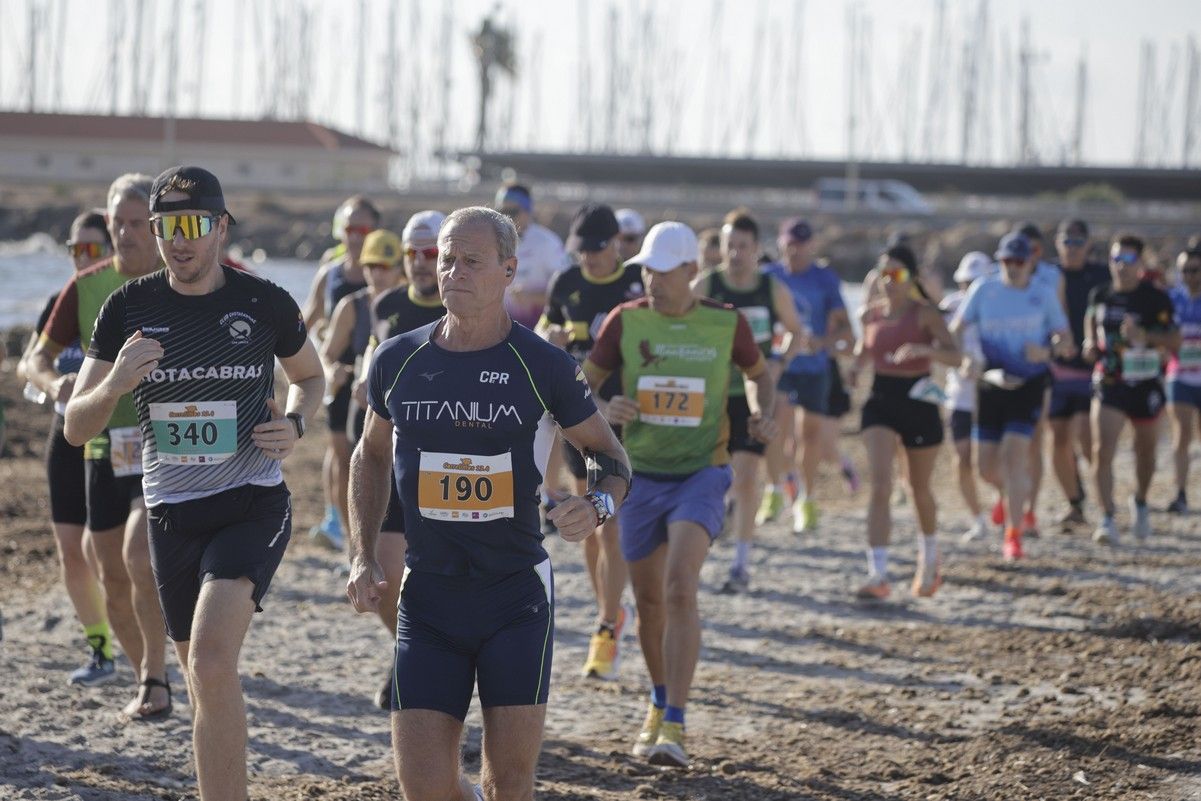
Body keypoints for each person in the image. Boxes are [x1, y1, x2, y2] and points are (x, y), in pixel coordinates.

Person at [347, 206, 629, 801]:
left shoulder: (544, 365)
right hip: (428, 596)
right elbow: (369, 456)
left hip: (514, 597)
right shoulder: (397, 358)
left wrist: (597, 506)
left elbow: (610, 456)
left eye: (471, 261)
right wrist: (362, 553)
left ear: (509, 270)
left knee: (510, 786)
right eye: (446, 259)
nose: (453, 272)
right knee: (423, 789)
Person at [67, 165, 324, 801]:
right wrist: (115, 383)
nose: (179, 240)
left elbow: (310, 376)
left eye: (193, 224)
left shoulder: (263, 301)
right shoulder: (129, 307)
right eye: (166, 227)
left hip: (251, 503)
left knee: (209, 660)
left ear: (221, 227)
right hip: (172, 514)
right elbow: (75, 426)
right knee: (200, 677)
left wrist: (295, 423)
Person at [584, 221, 775, 767]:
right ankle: (658, 700)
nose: (652, 280)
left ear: (692, 270)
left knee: (679, 588)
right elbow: (582, 384)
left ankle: (677, 722)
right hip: (640, 476)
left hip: (702, 473)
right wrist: (606, 408)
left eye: (664, 271)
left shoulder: (725, 322)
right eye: (647, 269)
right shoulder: (626, 320)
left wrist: (760, 410)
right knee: (648, 603)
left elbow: (760, 374)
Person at [28, 173, 171, 719]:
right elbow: (37, 359)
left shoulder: (183, 278)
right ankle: (144, 676)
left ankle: (156, 671)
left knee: (139, 554)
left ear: (156, 226)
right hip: (104, 444)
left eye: (138, 223)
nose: (126, 234)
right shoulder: (87, 286)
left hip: (166, 442)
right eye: (118, 224)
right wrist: (55, 386)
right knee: (109, 572)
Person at [538, 202, 644, 681]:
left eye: (597, 250)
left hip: (626, 417)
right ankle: (610, 609)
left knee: (612, 523)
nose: (589, 260)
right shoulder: (565, 282)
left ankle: (606, 624)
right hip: (577, 417)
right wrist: (551, 340)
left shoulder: (636, 284)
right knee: (587, 521)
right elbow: (543, 333)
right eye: (581, 251)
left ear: (616, 245)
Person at [351, 214, 449, 709]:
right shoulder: (387, 305)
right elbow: (374, 357)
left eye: (430, 253)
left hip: (450, 468)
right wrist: (361, 380)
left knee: (443, 585)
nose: (420, 263)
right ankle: (408, 649)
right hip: (394, 462)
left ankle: (427, 658)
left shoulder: (463, 309)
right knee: (385, 579)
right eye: (412, 254)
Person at [16, 210, 114, 684]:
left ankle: (143, 637)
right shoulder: (64, 299)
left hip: (120, 436)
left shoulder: (127, 297)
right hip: (67, 432)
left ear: (113, 250)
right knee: (71, 550)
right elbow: (29, 363)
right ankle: (101, 649)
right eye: (75, 249)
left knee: (113, 551)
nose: (82, 258)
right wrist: (55, 383)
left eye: (92, 249)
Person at [692, 208, 807, 594]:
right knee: (708, 478)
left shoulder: (770, 289)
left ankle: (740, 564)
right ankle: (702, 547)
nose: (735, 254)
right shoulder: (707, 285)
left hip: (754, 394)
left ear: (757, 249)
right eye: (730, 246)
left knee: (744, 477)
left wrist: (779, 362)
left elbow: (796, 332)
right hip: (711, 396)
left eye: (743, 246)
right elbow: (677, 324)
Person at [950, 233, 1074, 561]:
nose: (1014, 267)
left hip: (1028, 385)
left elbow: (1066, 340)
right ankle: (1011, 496)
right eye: (1007, 261)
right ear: (1000, 261)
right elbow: (956, 329)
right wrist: (965, 358)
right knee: (984, 468)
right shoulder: (983, 290)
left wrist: (1046, 352)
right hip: (990, 384)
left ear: (1031, 262)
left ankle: (1014, 535)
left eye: (1020, 261)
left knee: (1014, 456)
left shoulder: (1042, 294)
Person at [850, 245, 960, 599]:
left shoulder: (924, 314)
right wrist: (854, 369)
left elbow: (956, 356)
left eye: (896, 274)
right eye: (883, 274)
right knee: (881, 484)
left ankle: (929, 557)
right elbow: (864, 353)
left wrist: (925, 350)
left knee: (918, 488)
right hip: (881, 399)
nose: (889, 281)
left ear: (910, 278)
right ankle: (878, 574)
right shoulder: (872, 314)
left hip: (919, 399)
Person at [1085, 235, 1180, 544]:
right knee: (1102, 450)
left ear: (1139, 263)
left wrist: (1145, 336)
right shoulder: (1100, 294)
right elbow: (1091, 320)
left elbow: (1175, 340)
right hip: (1110, 380)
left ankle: (1140, 501)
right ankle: (1106, 517)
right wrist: (1089, 343)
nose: (1120, 266)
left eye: (1127, 260)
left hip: (1145, 382)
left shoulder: (1155, 298)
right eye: (1115, 259)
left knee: (1146, 451)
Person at [762, 218, 851, 534]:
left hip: (815, 368)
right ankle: (774, 490)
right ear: (780, 243)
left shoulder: (824, 279)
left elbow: (845, 328)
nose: (795, 250)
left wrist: (822, 342)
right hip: (780, 364)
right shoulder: (768, 276)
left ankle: (807, 499)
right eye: (790, 244)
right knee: (775, 428)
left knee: (809, 436)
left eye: (801, 244)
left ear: (812, 245)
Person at [301, 195, 378, 548]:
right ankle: (341, 526)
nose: (356, 237)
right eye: (349, 229)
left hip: (375, 377)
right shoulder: (330, 273)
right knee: (340, 452)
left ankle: (361, 526)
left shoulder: (388, 270)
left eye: (363, 229)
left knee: (369, 454)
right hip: (338, 374)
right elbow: (304, 322)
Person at [1048, 219, 1111, 529]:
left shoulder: (1102, 275)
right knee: (1059, 439)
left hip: (1091, 369)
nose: (1072, 248)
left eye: (1077, 242)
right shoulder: (1048, 275)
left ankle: (1104, 504)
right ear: (1057, 244)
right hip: (1056, 369)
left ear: (1088, 245)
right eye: (1066, 242)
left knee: (1087, 438)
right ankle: (1075, 502)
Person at [940, 251, 991, 542]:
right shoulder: (950, 306)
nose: (969, 288)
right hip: (959, 396)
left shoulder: (998, 308)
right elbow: (938, 340)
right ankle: (978, 519)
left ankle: (1003, 499)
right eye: (965, 282)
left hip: (990, 396)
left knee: (988, 466)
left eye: (976, 282)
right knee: (961, 459)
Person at [494, 183, 569, 329]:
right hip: (498, 331)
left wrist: (532, 297)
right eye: (500, 212)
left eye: (512, 212)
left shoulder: (547, 243)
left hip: (537, 331)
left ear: (527, 212)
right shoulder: (491, 241)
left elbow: (567, 292)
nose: (505, 218)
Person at [1166, 247, 1201, 513]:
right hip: (1179, 374)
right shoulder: (1171, 299)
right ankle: (1180, 493)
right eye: (1183, 271)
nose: (1188, 275)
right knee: (1181, 434)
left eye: (1194, 270)